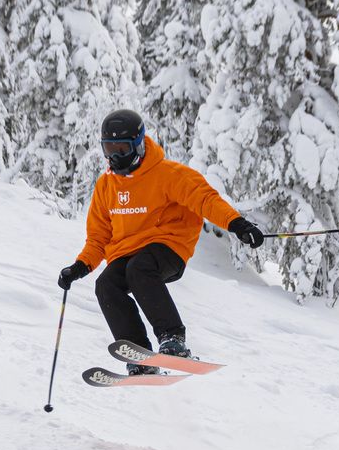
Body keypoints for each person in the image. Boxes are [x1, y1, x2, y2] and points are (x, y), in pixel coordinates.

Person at [58, 109, 264, 375]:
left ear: (139, 145)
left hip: (168, 246)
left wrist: (236, 224)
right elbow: (98, 237)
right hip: (126, 252)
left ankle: (173, 338)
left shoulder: (167, 174)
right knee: (106, 284)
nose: (115, 157)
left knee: (139, 268)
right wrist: (79, 267)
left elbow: (205, 199)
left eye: (122, 149)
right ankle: (138, 354)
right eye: (109, 149)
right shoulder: (106, 186)